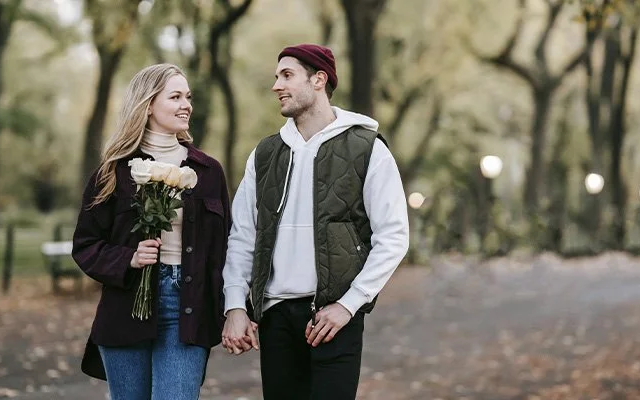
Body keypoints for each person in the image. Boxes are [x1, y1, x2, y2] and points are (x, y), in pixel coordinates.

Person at [220, 44, 410, 399]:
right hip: (275, 317)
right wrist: (234, 305)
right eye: (276, 77)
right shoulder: (265, 154)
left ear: (319, 80)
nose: (276, 85)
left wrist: (349, 304)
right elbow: (243, 235)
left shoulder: (367, 148)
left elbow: (393, 236)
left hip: (333, 318)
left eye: (287, 75)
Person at [73, 63, 231, 400]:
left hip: (187, 307)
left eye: (188, 97)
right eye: (175, 97)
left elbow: (226, 250)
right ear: (147, 105)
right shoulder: (113, 171)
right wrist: (129, 258)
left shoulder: (208, 172)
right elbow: (85, 244)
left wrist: (235, 309)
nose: (186, 105)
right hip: (126, 308)